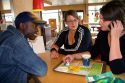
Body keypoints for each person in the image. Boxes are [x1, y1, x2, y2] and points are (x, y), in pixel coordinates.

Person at [0, 11, 47, 83]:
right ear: (22, 25)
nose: (37, 30)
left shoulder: (7, 35)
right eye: (34, 26)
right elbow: (41, 69)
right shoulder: (16, 42)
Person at [91, 0, 125, 74]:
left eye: (104, 19)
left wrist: (115, 37)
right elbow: (93, 52)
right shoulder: (103, 33)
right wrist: (74, 56)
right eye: (100, 18)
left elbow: (117, 69)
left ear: (118, 21)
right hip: (106, 75)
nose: (100, 22)